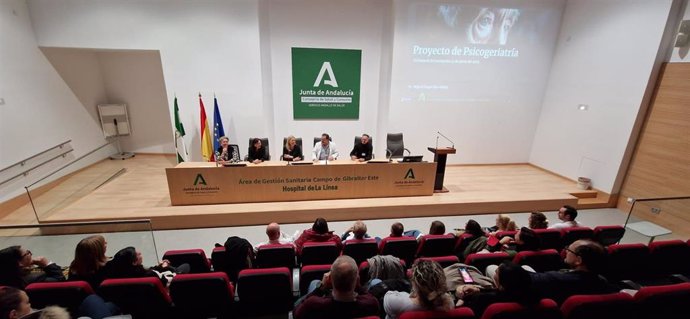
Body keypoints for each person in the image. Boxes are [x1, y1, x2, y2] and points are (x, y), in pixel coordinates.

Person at [489, 239, 615, 304]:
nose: (566, 251)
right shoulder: (603, 282)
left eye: (569, 250)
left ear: (578, 260)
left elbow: (525, 279)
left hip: (534, 294)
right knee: (526, 266)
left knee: (492, 268)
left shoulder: (555, 279)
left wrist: (503, 266)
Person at [294, 255, 379, 319]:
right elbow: (366, 294)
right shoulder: (371, 304)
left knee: (315, 283)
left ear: (330, 279)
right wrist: (357, 285)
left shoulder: (313, 304)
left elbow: (296, 313)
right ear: (357, 280)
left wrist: (321, 287)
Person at [456, 261, 538, 317]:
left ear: (502, 285)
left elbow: (465, 313)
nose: (494, 274)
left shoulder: (484, 299)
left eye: (496, 272)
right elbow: (499, 293)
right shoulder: (536, 297)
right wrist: (480, 290)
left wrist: (462, 299)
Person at [383, 260, 454, 319]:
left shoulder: (396, 302)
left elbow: (387, 296)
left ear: (415, 284)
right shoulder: (449, 304)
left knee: (375, 282)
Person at [103, 247, 189, 285]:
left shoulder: (119, 274)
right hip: (169, 286)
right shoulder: (149, 275)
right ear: (134, 262)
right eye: (138, 254)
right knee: (186, 266)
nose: (140, 252)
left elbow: (147, 270)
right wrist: (166, 268)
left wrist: (158, 267)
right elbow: (169, 280)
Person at [0, 246, 65, 289]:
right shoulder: (34, 279)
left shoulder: (4, 278)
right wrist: (47, 264)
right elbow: (60, 280)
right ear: (19, 263)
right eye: (27, 253)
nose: (31, 254)